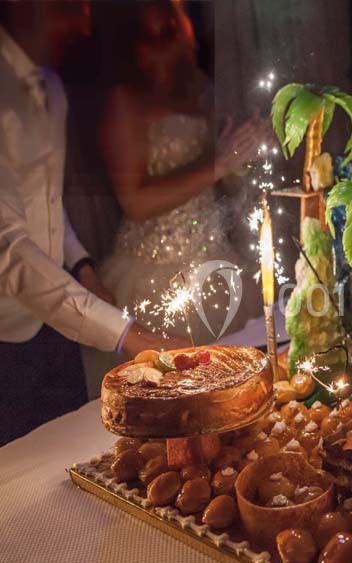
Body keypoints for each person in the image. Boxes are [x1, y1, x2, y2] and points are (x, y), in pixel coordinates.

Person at [0, 1, 182, 476]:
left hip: (50, 327)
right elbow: (5, 247)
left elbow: (43, 203)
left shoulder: (50, 85)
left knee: (71, 472)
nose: (86, 24)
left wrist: (83, 267)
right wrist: (130, 335)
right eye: (73, 7)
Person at [96, 0, 264, 344]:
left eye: (170, 31)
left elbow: (223, 184)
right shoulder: (124, 102)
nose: (163, 47)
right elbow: (135, 202)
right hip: (153, 273)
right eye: (151, 35)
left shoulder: (201, 91)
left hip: (214, 260)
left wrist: (242, 155)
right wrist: (219, 164)